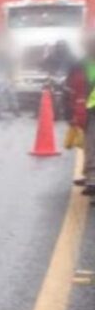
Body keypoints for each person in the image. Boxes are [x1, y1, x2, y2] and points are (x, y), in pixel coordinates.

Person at [67, 32, 95, 195]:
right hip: (88, 109)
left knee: (91, 143)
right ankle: (90, 175)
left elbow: (75, 88)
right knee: (88, 142)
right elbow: (75, 89)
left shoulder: (82, 64)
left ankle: (92, 178)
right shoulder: (81, 64)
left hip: (90, 108)